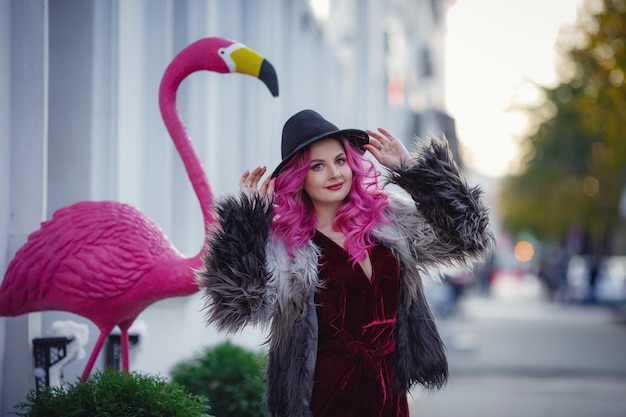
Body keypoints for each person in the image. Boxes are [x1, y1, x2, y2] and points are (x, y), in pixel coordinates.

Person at [195, 109, 493, 417]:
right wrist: (247, 223)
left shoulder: (387, 218)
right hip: (325, 396)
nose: (335, 173)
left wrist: (413, 172)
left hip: (389, 393)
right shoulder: (288, 245)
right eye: (318, 166)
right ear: (299, 178)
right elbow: (237, 303)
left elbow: (466, 238)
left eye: (340, 161)